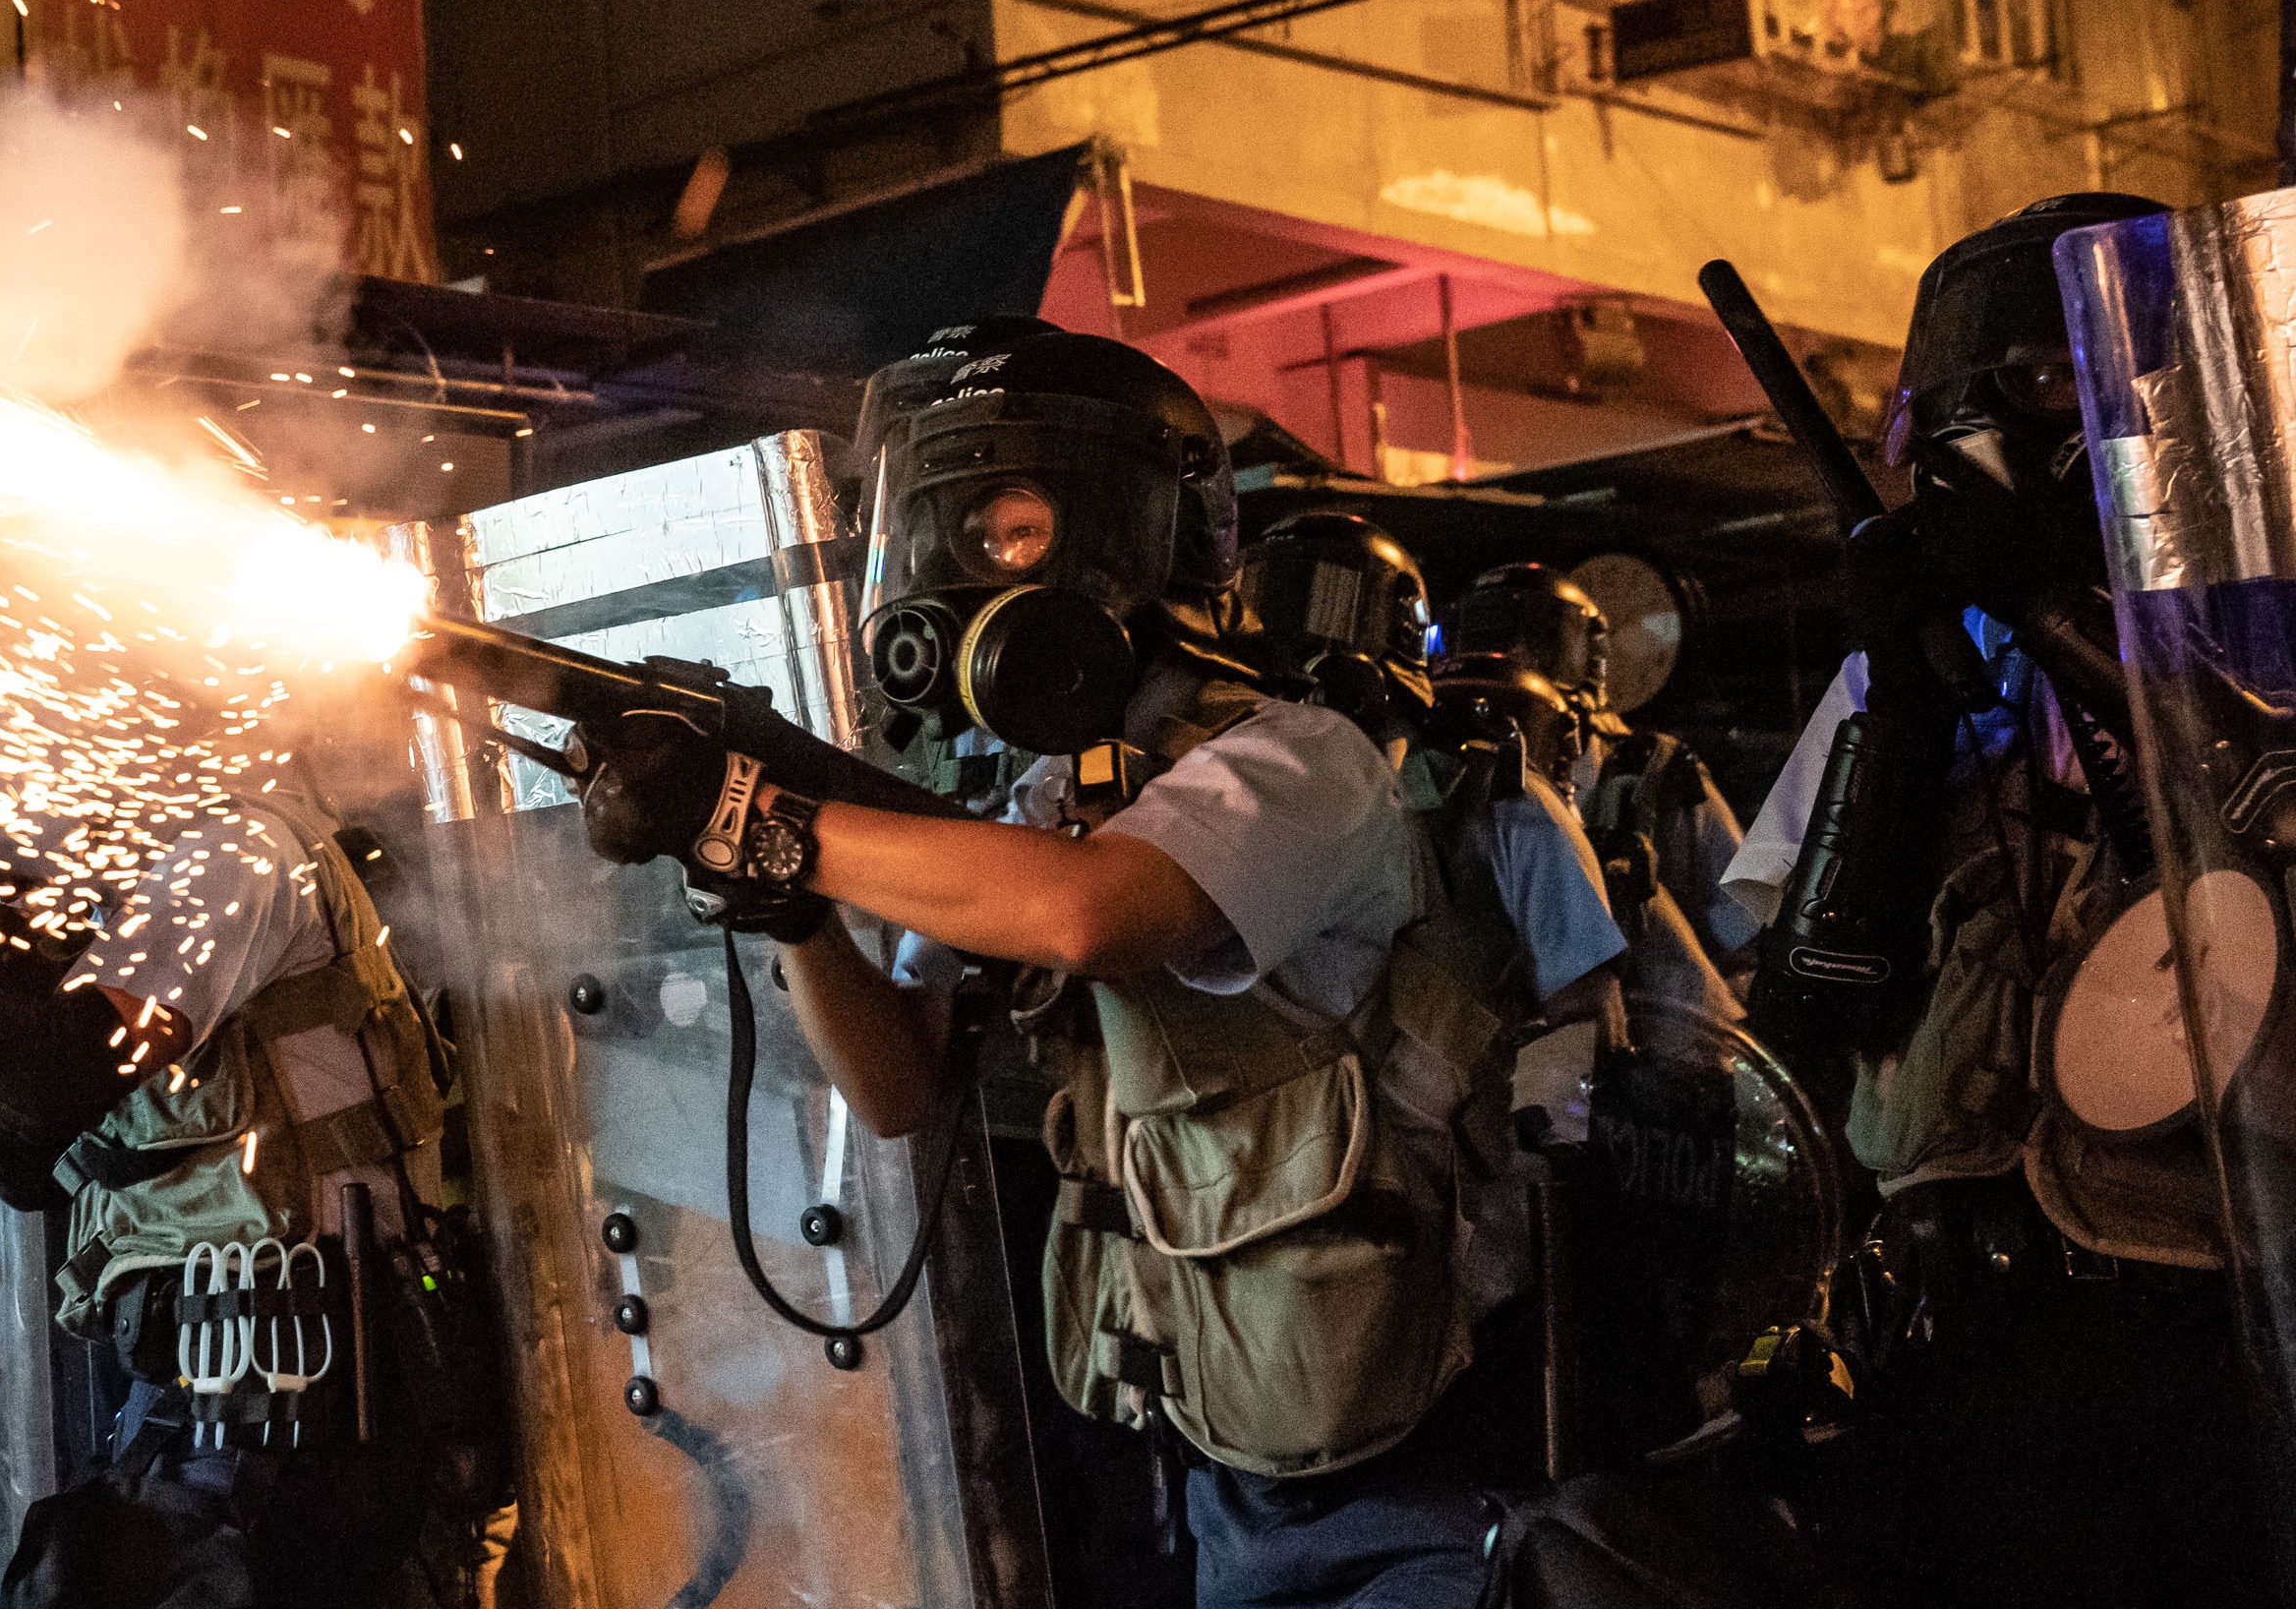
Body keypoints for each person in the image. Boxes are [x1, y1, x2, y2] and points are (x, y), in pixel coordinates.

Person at [570, 333, 1616, 1608]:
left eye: (1008, 524)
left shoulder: (1296, 761)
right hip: (1204, 1432)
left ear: (1133, 529)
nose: (964, 572)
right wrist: (777, 898)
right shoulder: (1036, 801)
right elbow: (901, 1084)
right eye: (934, 529)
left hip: (1399, 1448)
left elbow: (1085, 917)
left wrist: (780, 818)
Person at [1721, 193, 2266, 1609]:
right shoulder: (1927, 660)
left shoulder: (2254, 650)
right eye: (2035, 386)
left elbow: (2249, 873)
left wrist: (2060, 620)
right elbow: (1806, 1011)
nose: (2088, 433)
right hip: (1959, 1349)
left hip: (2213, 1335)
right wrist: (1899, 706)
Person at [0, 747, 506, 1609]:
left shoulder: (234, 859)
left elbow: (53, 1075)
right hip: (202, 1422)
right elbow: (31, 1164)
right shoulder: (136, 917)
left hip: (308, 1432)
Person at [1445, 564, 1757, 970]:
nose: (1512, 655)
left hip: (1643, 1015)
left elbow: (1746, 933)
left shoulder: (1658, 772)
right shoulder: (1449, 773)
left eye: (1534, 637)